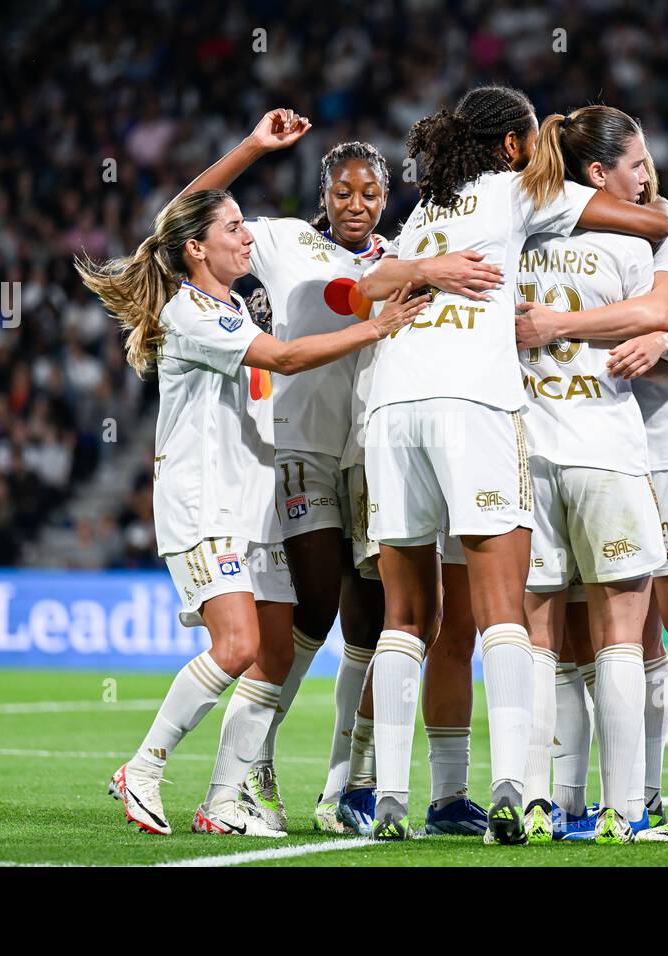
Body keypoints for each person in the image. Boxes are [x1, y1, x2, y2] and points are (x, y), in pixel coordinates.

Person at [356, 85, 668, 843]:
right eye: (534, 138)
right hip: (474, 407)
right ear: (513, 145)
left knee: (406, 617)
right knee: (503, 608)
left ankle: (390, 797)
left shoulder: (427, 211)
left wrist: (428, 272)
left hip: (394, 412)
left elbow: (368, 287)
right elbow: (652, 221)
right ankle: (512, 788)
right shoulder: (521, 189)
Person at [77, 187, 426, 837]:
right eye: (234, 228)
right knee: (236, 644)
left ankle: (224, 800)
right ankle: (144, 768)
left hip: (248, 506)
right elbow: (287, 358)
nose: (247, 237)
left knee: (271, 655)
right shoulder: (192, 314)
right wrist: (376, 326)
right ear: (196, 248)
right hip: (202, 505)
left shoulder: (233, 305)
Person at [180, 109, 489, 834]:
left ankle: (344, 788)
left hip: (374, 457)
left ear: (387, 197)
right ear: (325, 191)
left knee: (373, 628)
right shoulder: (286, 240)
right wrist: (252, 146)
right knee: (310, 612)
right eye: (344, 192)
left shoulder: (403, 249)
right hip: (297, 451)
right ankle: (251, 767)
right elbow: (188, 217)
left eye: (370, 194)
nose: (356, 205)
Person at [523, 124, 668, 842]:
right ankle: (639, 798)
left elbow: (659, 316)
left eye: (650, 164)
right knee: (625, 644)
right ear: (598, 173)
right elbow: (647, 338)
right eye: (638, 165)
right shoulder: (550, 234)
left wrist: (573, 327)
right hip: (601, 451)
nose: (650, 178)